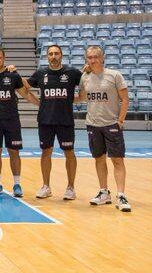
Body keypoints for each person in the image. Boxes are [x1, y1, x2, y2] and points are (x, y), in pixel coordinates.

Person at [76, 46, 131, 212]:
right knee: (99, 159)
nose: (93, 60)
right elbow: (82, 98)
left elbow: (125, 99)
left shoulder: (114, 75)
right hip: (93, 124)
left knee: (117, 160)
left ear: (102, 57)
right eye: (90, 57)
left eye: (96, 57)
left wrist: (120, 120)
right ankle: (103, 192)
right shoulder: (85, 77)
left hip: (111, 124)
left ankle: (121, 195)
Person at [0, 47, 39, 197]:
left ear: (4, 58)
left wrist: (41, 104)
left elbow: (25, 93)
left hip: (11, 119)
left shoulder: (12, 76)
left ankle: (17, 184)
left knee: (14, 152)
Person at [27, 44, 81, 200]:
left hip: (65, 120)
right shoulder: (40, 73)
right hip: (46, 120)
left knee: (69, 152)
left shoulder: (72, 72)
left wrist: (79, 98)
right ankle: (46, 186)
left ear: (61, 55)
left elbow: (87, 82)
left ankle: (70, 187)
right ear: (47, 56)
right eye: (50, 54)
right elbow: (23, 86)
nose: (53, 56)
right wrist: (37, 102)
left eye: (56, 53)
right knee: (46, 152)